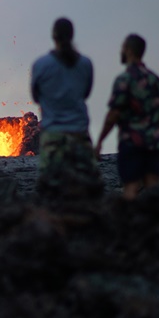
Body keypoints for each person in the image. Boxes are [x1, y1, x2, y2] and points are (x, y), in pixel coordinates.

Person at [30, 17, 103, 198]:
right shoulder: (85, 64)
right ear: (72, 35)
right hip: (79, 134)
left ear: (53, 36)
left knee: (49, 190)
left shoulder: (41, 65)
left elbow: (36, 96)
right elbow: (85, 93)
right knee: (87, 190)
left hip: (52, 135)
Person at [95, 33, 159, 200]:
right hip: (153, 144)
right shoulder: (156, 81)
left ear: (129, 51)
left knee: (131, 188)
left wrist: (100, 141)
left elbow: (114, 114)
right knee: (153, 187)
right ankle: (155, 223)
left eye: (123, 48)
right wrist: (155, 137)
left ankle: (131, 223)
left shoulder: (124, 80)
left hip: (131, 144)